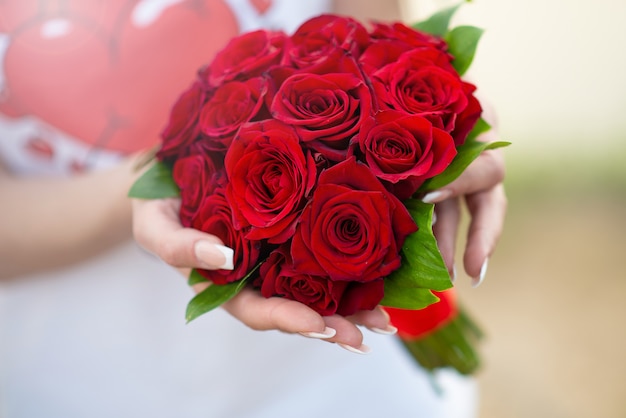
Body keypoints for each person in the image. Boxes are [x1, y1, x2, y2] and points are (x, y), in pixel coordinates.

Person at [0, 1, 506, 417]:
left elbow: (374, 39)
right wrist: (158, 179)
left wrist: (444, 125)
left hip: (339, 377)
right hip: (79, 376)